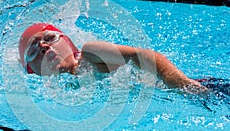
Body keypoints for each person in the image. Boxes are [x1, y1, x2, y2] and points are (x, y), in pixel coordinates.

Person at [18, 23, 207, 92]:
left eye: (49, 39)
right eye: (32, 50)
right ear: (31, 70)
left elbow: (144, 56)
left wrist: (183, 84)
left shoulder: (90, 54)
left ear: (68, 43)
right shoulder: (57, 92)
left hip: (204, 89)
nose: (43, 46)